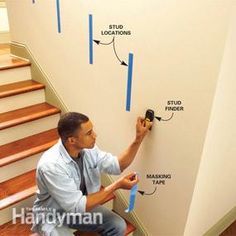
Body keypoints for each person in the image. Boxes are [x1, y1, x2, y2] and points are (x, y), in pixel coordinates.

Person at [31, 112, 152, 236]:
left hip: (78, 208)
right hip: (53, 215)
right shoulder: (51, 166)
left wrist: (138, 139)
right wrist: (116, 185)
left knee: (117, 225)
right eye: (89, 133)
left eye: (92, 130)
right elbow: (76, 207)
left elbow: (117, 165)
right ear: (72, 140)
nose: (95, 135)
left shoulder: (88, 150)